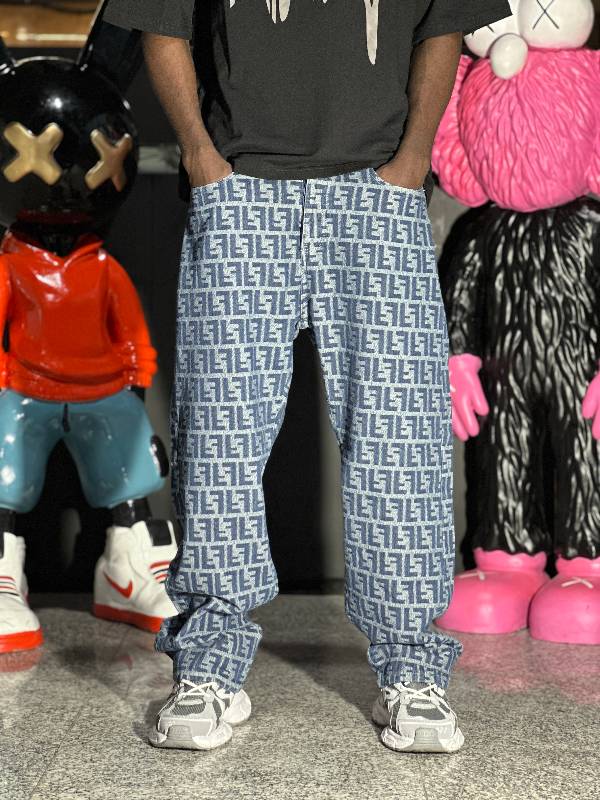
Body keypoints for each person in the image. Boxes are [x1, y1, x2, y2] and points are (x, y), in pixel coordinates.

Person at [104, 0, 511, 754]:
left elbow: (441, 22)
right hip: (243, 188)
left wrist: (411, 161)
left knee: (398, 442)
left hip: (377, 193)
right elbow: (162, 20)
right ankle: (207, 667)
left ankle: (412, 671)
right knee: (219, 438)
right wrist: (200, 156)